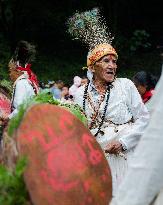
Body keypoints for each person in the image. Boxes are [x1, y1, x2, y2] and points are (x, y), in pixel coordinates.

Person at [67, 8, 150, 196]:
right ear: (93, 66)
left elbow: (144, 120)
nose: (112, 65)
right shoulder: (80, 94)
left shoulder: (126, 86)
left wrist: (123, 142)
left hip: (124, 157)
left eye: (114, 61)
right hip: (96, 159)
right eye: (106, 61)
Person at [110, 69, 163, 205]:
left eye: (137, 85)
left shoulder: (152, 97)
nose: (135, 88)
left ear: (145, 86)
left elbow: (151, 127)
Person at [8, 40, 39, 119]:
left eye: (10, 71)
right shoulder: (27, 82)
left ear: (17, 71)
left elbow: (20, 109)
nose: (9, 74)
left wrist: (7, 118)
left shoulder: (21, 84)